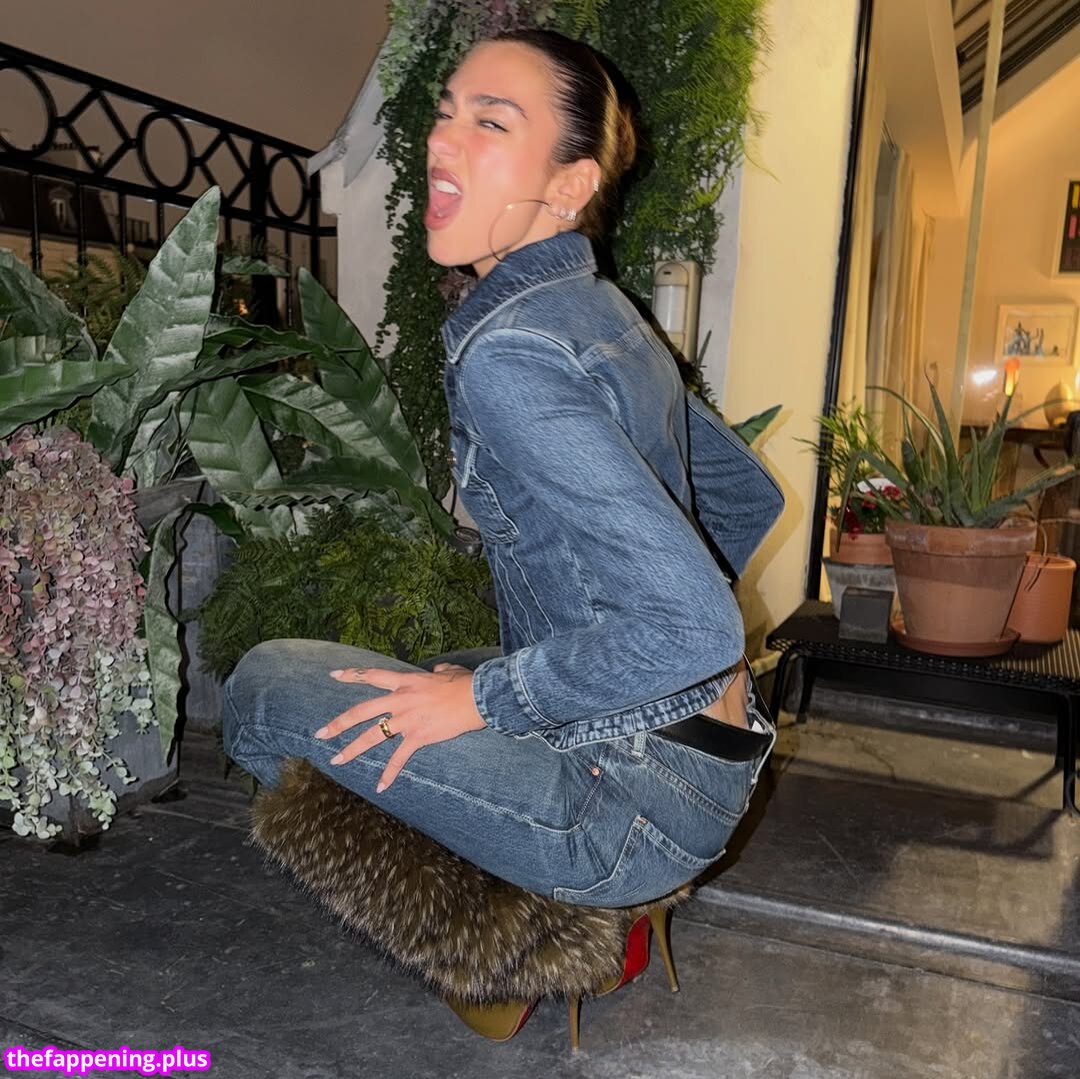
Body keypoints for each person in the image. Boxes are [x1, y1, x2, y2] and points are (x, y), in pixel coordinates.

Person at [222, 28, 783, 916]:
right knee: (422, 674)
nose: (442, 140)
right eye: (446, 114)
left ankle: (510, 930)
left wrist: (492, 699)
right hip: (711, 755)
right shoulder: (601, 309)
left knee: (260, 689)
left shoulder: (511, 348)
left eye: (491, 123)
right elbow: (747, 497)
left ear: (569, 185)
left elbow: (695, 627)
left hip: (624, 806)